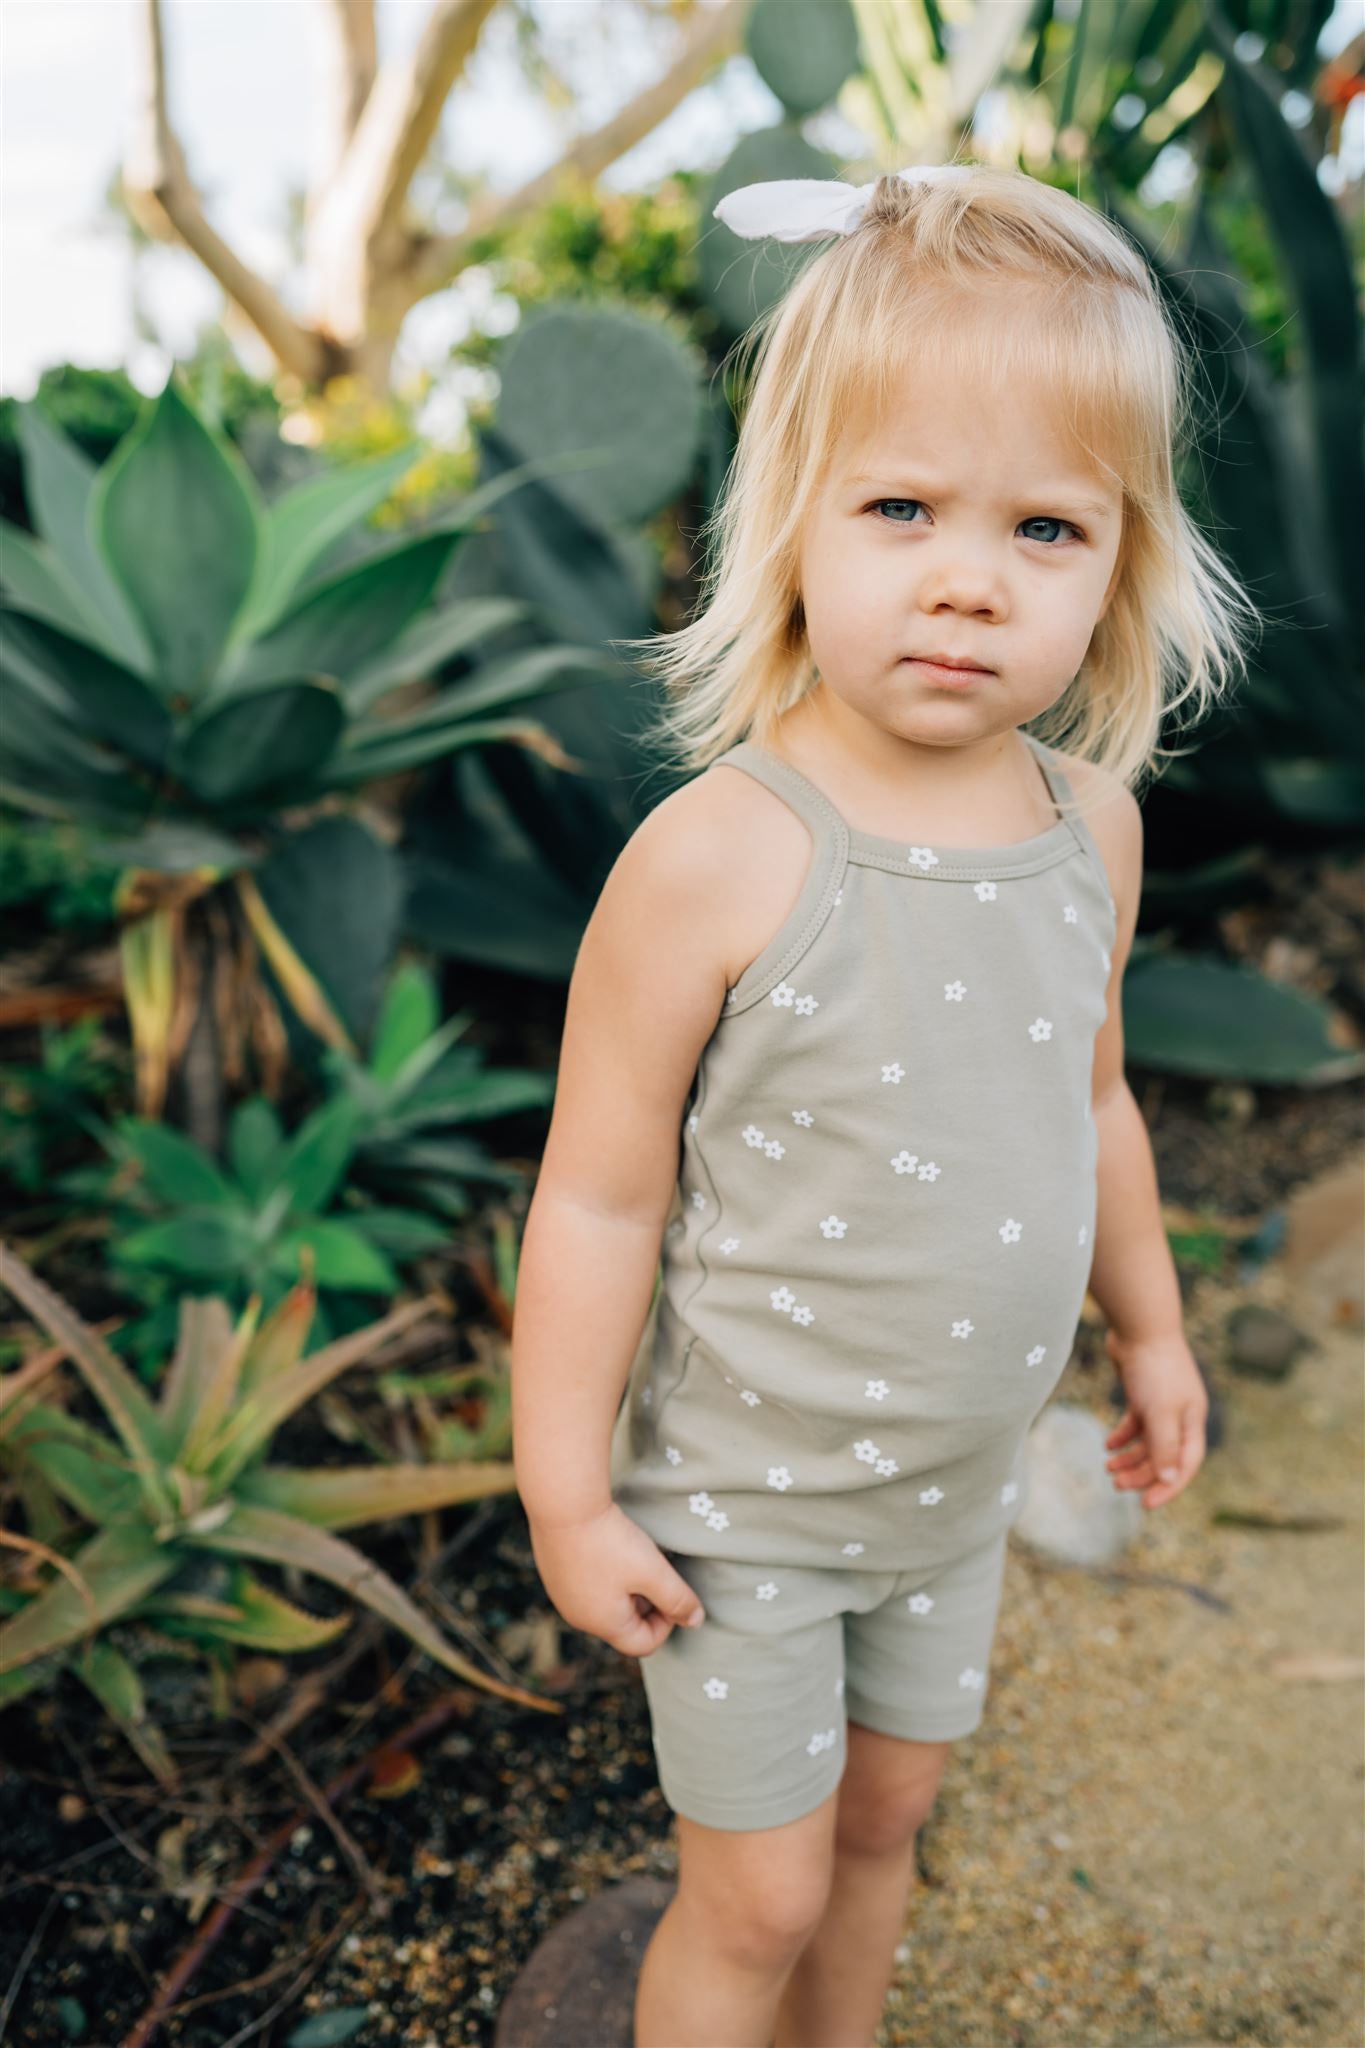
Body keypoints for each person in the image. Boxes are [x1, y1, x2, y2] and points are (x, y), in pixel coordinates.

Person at [510, 159, 1258, 2048]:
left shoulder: (1092, 829)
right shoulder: (723, 854)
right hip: (740, 1510)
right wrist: (564, 1485)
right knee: (750, 1890)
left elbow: (1089, 1100)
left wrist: (1150, 1329)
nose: (966, 579)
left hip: (951, 1493)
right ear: (792, 525)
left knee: (886, 1829)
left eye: (1044, 530)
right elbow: (595, 1198)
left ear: (1122, 563)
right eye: (904, 507)